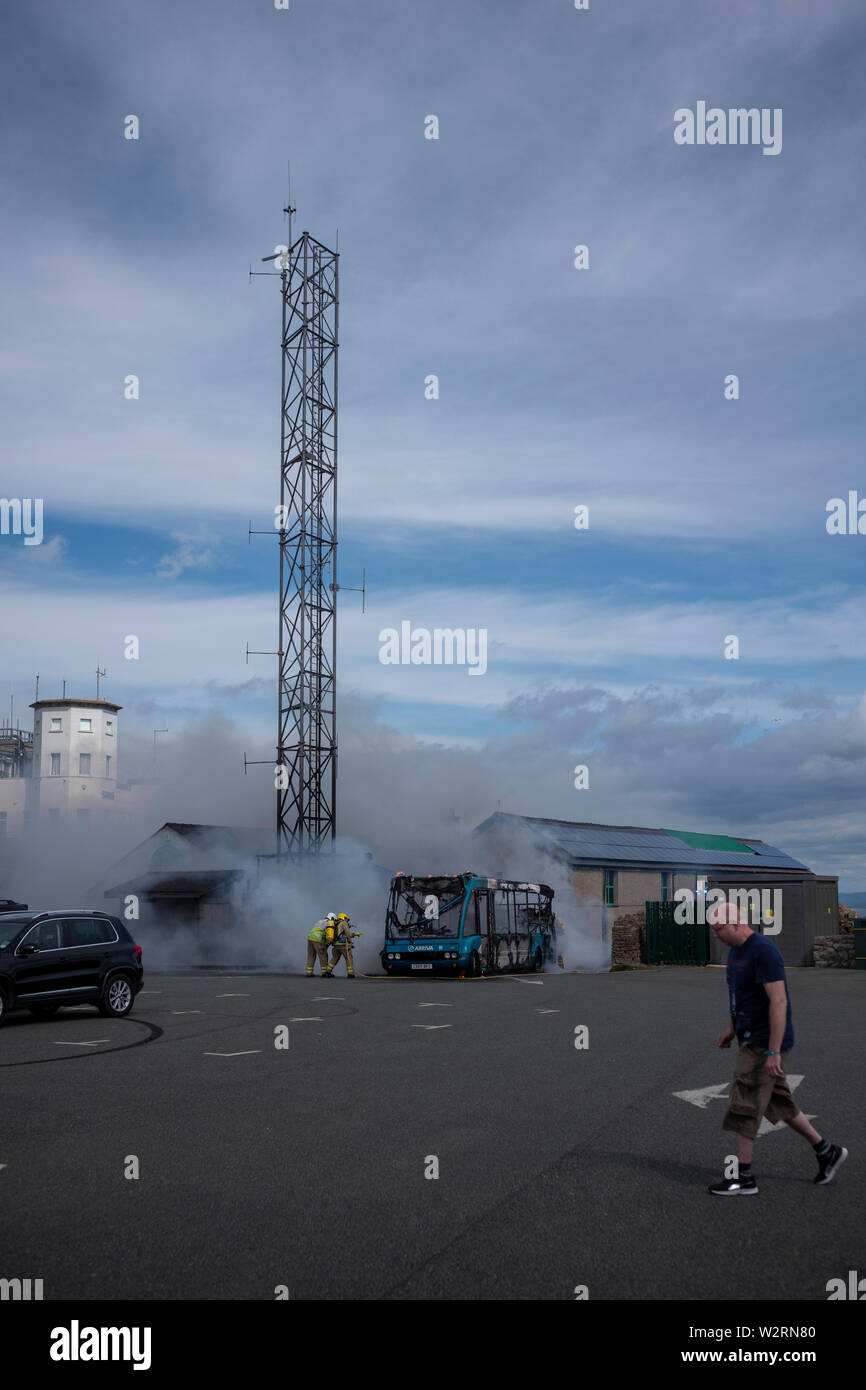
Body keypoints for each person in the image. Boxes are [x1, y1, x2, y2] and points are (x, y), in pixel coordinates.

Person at [707, 902, 847, 1195]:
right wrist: (731, 1030)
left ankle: (742, 1177)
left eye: (719, 930)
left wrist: (773, 1051)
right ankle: (827, 1151)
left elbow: (779, 1001)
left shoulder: (764, 951)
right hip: (748, 1035)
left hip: (764, 1041)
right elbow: (742, 997)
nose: (716, 936)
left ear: (735, 923)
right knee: (778, 1102)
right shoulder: (735, 953)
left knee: (744, 1103)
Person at [328, 912, 361, 978]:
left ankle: (327, 971)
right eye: (347, 919)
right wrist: (355, 934)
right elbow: (348, 934)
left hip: (335, 945)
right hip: (343, 945)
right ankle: (350, 974)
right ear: (344, 918)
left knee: (334, 959)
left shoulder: (335, 923)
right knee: (349, 958)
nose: (347, 921)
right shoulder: (344, 923)